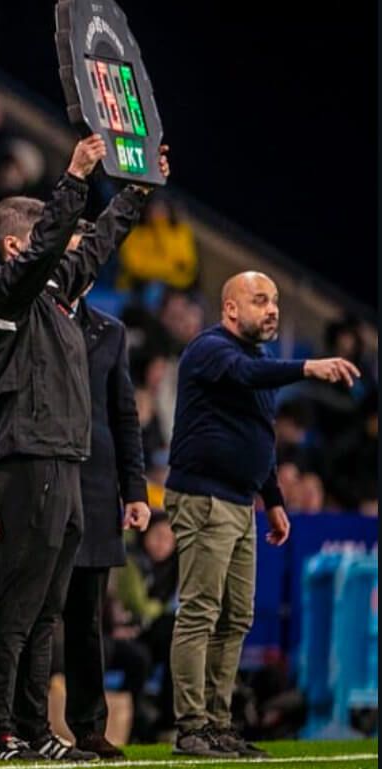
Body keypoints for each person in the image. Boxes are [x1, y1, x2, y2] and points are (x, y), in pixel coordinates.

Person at [0, 135, 169, 761]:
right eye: (57, 238)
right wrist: (75, 177)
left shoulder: (54, 298)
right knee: (19, 608)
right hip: (28, 462)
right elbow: (51, 251)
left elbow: (98, 246)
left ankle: (32, 729)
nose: (72, 246)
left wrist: (135, 192)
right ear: (16, 246)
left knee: (47, 614)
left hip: (66, 462)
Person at [164, 271, 360, 758]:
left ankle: (218, 722)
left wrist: (272, 499)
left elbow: (259, 435)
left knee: (236, 617)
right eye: (259, 301)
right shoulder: (209, 350)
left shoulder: (261, 358)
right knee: (201, 613)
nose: (271, 309)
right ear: (231, 308)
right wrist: (308, 367)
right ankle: (191, 726)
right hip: (204, 498)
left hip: (240, 501)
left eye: (274, 301)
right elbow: (245, 376)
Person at [62, 281, 151, 758]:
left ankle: (89, 727)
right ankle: (17, 725)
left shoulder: (109, 331)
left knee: (85, 618)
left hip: (96, 491)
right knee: (30, 616)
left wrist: (134, 491)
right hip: (46, 484)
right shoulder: (36, 318)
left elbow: (124, 416)